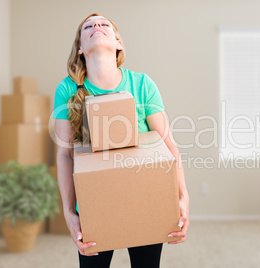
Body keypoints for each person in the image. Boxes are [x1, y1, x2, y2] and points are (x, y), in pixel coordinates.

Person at [53, 12, 189, 268]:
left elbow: (168, 145)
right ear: (80, 49)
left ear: (119, 44)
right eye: (88, 26)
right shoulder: (68, 89)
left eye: (104, 24)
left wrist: (183, 198)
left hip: (147, 198)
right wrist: (69, 213)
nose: (96, 26)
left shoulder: (141, 84)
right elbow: (64, 154)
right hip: (95, 205)